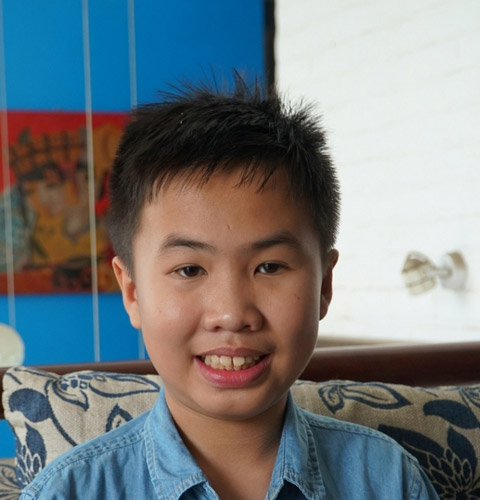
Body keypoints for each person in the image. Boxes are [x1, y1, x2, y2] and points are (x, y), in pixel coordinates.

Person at [19, 76, 440, 500]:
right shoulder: (70, 491)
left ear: (324, 286)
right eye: (189, 270)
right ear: (132, 292)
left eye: (269, 266)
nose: (232, 314)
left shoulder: (386, 478)